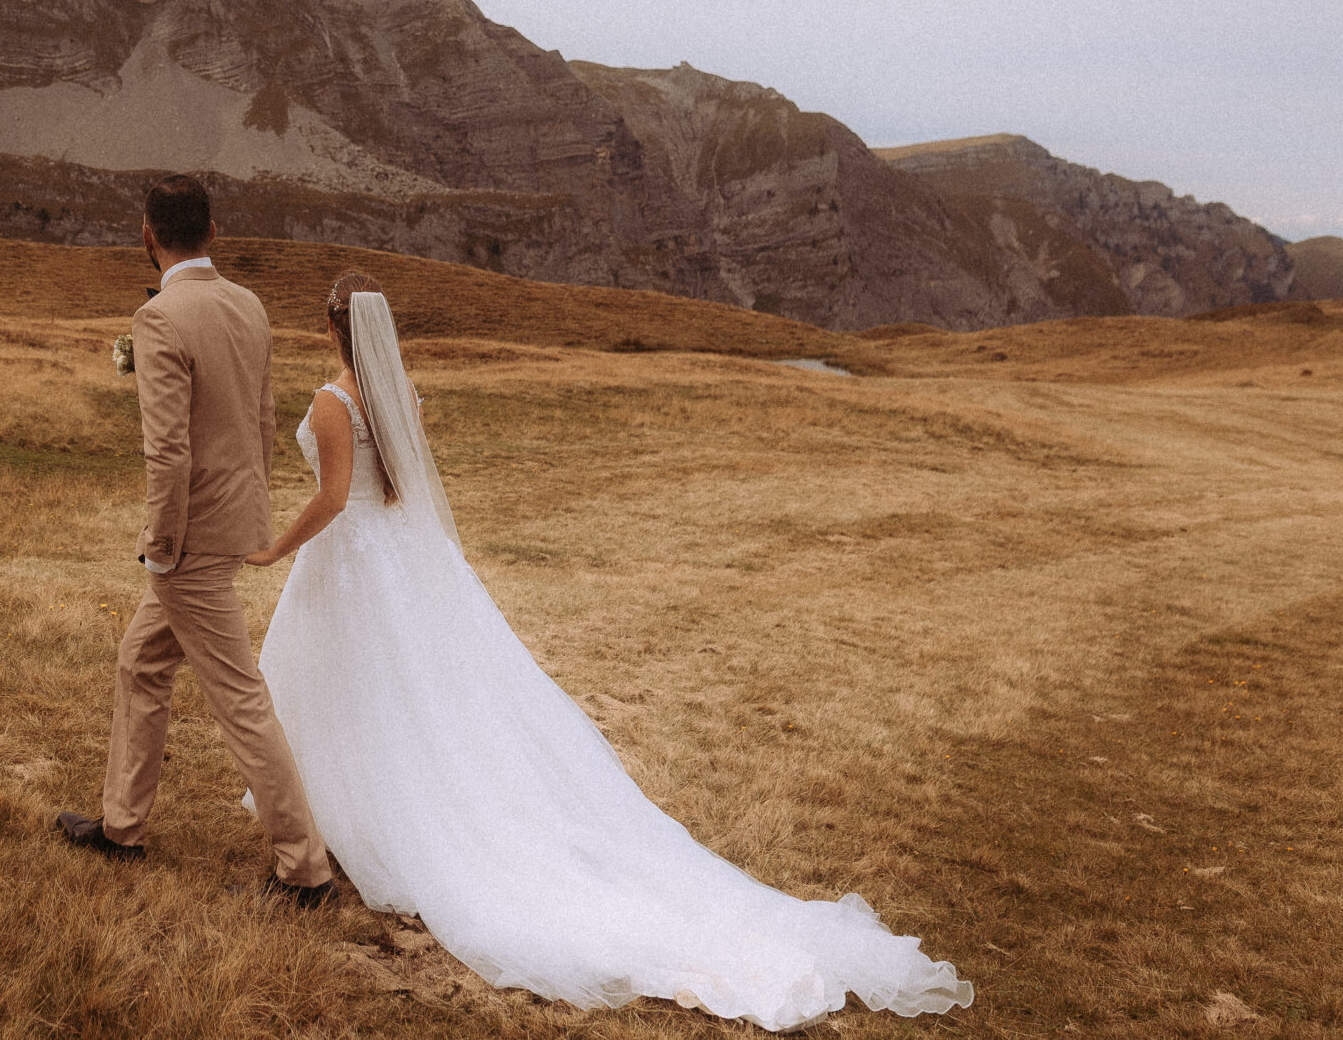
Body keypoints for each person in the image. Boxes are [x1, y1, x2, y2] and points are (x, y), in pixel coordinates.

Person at [244, 271, 975, 1031]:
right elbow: (400, 484)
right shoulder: (396, 393)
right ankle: (353, 811)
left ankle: (371, 819)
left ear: (331, 327)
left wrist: (272, 549)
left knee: (364, 692)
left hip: (356, 559)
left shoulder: (335, 402)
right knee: (406, 694)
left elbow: (334, 498)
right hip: (400, 555)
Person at [56, 175, 334, 906]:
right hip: (234, 517)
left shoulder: (159, 319)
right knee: (141, 660)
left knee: (239, 696)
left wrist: (162, 542)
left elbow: (168, 452)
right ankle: (121, 825)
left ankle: (305, 870)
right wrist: (254, 511)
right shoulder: (248, 304)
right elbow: (261, 422)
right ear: (213, 232)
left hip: (190, 538)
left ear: (146, 235)